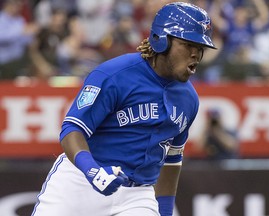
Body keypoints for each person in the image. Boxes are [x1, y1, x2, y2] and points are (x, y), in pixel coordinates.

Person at [32, 2, 216, 216]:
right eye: (188, 45)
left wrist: (164, 211)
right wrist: (93, 170)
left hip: (137, 196)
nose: (196, 54)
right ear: (162, 40)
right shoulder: (114, 75)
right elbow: (72, 130)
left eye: (200, 48)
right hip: (80, 182)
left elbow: (172, 160)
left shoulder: (189, 99)